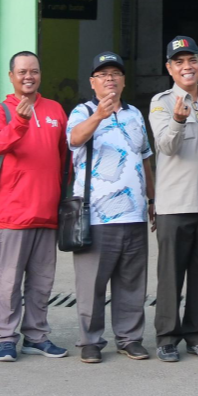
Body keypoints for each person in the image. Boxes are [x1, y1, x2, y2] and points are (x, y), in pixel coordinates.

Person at [65, 52, 156, 364]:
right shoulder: (82, 111)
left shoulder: (134, 114)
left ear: (124, 80)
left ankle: (129, 338)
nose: (110, 79)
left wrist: (152, 199)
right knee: (92, 283)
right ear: (93, 83)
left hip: (134, 214)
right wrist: (98, 117)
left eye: (115, 73)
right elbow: (74, 140)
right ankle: (90, 340)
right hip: (96, 215)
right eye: (103, 74)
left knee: (132, 281)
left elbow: (145, 157)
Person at [0, 51, 70, 361]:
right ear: (11, 76)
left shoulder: (55, 110)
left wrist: (62, 199)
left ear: (40, 75)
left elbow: (64, 159)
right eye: (21, 72)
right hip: (12, 215)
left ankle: (36, 336)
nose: (28, 76)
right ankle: (6, 338)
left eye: (33, 71)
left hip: (47, 213)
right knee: (9, 282)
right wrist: (19, 119)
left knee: (42, 282)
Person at [148, 36, 198, 362]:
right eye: (178, 62)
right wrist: (179, 120)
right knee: (171, 275)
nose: (186, 67)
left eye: (191, 60)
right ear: (169, 68)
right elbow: (167, 146)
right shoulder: (161, 102)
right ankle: (167, 337)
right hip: (176, 204)